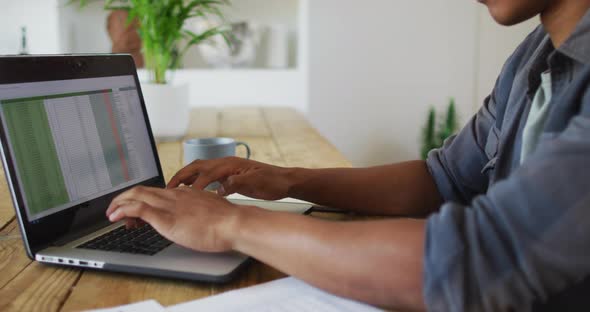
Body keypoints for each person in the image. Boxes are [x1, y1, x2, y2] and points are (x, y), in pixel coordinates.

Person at [106, 0, 590, 310]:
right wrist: (288, 179)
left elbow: (479, 260)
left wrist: (231, 225)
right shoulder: (536, 54)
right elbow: (443, 179)